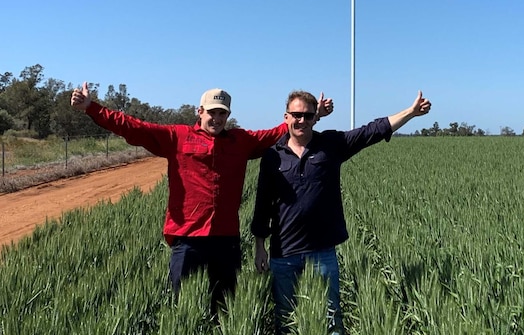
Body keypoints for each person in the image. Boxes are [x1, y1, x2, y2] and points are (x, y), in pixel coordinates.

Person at [70, 82, 333, 315]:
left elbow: (279, 132)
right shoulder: (177, 137)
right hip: (188, 239)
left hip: (226, 239)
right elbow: (133, 127)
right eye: (212, 112)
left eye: (222, 113)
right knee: (182, 307)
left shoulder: (240, 141)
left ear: (228, 115)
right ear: (200, 112)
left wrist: (313, 116)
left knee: (225, 307)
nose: (216, 118)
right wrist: (92, 108)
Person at [251, 89, 432, 334]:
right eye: (296, 115)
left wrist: (409, 113)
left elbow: (372, 131)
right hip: (284, 253)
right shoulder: (272, 156)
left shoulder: (331, 144)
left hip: (322, 252)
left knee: (331, 320)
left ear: (316, 117)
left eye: (307, 115)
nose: (301, 120)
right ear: (286, 117)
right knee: (286, 319)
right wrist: (259, 246)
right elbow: (263, 203)